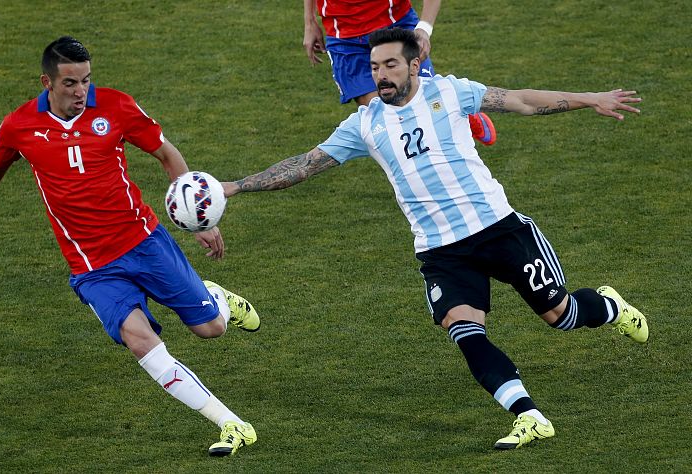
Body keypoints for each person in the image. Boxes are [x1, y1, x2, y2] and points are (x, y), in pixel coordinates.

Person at [222, 28, 647, 449]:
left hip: (499, 229)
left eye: (390, 65)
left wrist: (591, 99)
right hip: (441, 250)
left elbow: (519, 100)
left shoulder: (450, 93)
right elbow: (304, 165)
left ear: (413, 64)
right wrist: (236, 187)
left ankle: (610, 306)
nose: (381, 76)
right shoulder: (365, 124)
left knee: (563, 315)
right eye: (374, 68)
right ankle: (529, 417)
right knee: (465, 330)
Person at [0, 36, 259, 457]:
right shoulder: (20, 126)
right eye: (70, 83)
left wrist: (198, 216)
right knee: (141, 342)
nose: (80, 92)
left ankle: (214, 296)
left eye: (86, 81)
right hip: (92, 267)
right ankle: (232, 423)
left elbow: (164, 153)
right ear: (47, 81)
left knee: (210, 328)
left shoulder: (117, 107)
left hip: (143, 241)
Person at [303, 0, 497, 146]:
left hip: (395, 25)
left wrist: (424, 29)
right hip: (345, 40)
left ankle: (458, 108)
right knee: (387, 115)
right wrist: (310, 21)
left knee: (424, 105)